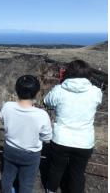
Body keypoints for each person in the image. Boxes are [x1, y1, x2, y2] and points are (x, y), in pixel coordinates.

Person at [44, 60, 103, 193]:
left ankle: (51, 190)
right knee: (77, 172)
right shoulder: (95, 92)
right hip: (84, 141)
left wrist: (60, 85)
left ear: (68, 73)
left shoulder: (59, 90)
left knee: (56, 169)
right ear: (88, 74)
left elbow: (46, 101)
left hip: (61, 139)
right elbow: (97, 101)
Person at [0, 75, 52, 193]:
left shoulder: (7, 106)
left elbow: (2, 120)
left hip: (10, 149)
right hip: (31, 155)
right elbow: (47, 137)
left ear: (16, 90)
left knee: (7, 176)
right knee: (26, 183)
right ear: (37, 93)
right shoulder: (41, 115)